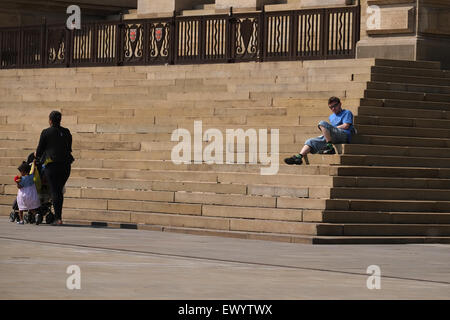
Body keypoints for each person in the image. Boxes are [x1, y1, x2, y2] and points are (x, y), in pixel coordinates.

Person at [284, 96, 354, 165]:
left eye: (335, 106)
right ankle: (299, 157)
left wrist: (331, 128)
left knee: (322, 123)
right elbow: (331, 130)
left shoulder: (347, 112)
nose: (333, 108)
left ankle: (329, 146)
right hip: (334, 135)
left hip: (344, 135)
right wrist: (330, 130)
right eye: (330, 107)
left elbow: (346, 126)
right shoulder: (331, 117)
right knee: (310, 141)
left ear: (340, 104)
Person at [35, 111, 74, 225]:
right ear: (60, 120)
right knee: (58, 190)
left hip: (52, 165)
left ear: (50, 120)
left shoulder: (46, 132)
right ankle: (58, 217)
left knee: (55, 190)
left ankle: (58, 218)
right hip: (66, 165)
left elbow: (40, 149)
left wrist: (37, 157)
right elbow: (69, 148)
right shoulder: (66, 132)